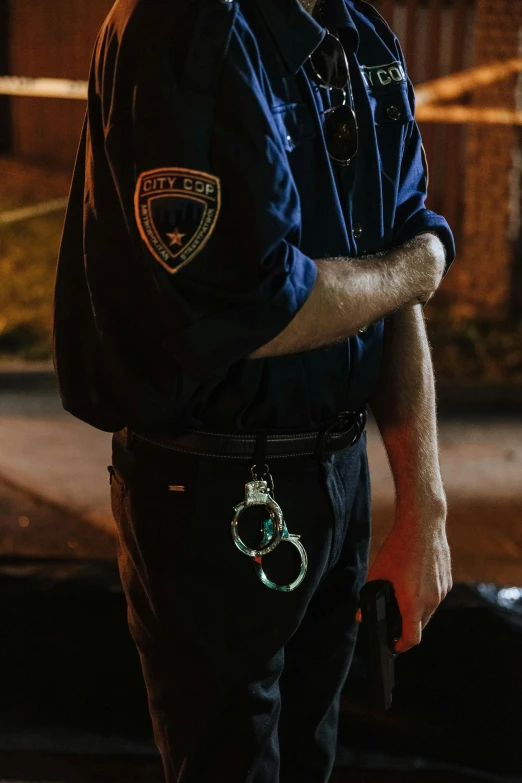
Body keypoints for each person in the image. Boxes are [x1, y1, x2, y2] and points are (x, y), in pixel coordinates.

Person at [53, 0, 455, 780]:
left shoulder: (359, 33)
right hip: (210, 486)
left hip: (339, 476)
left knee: (312, 759)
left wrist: (424, 504)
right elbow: (251, 311)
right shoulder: (179, 28)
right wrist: (416, 270)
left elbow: (394, 268)